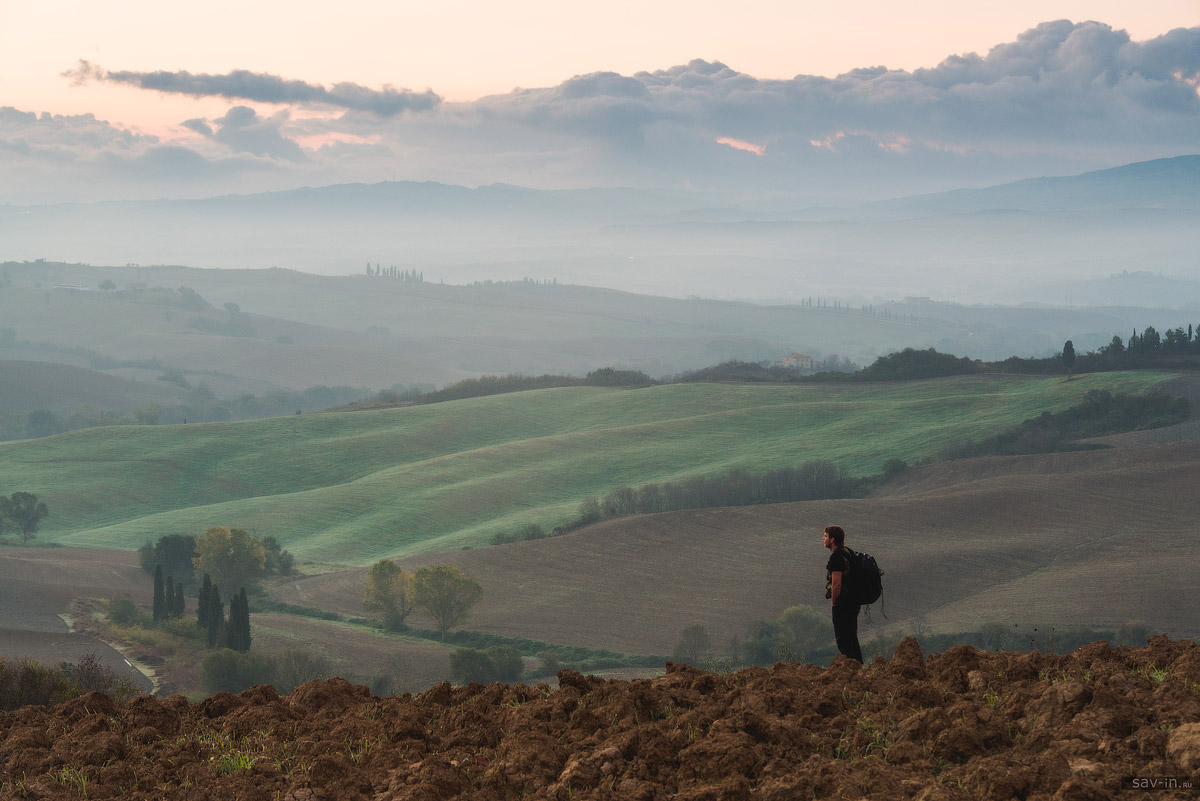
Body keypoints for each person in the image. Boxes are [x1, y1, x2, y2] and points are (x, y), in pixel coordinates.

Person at [823, 524, 863, 663]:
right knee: (851, 637)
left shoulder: (836, 557)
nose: (823, 539)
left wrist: (834, 603)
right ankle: (858, 666)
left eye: (826, 536)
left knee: (843, 639)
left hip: (843, 604)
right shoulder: (848, 552)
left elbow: (836, 584)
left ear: (833, 539)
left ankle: (851, 667)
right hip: (855, 602)